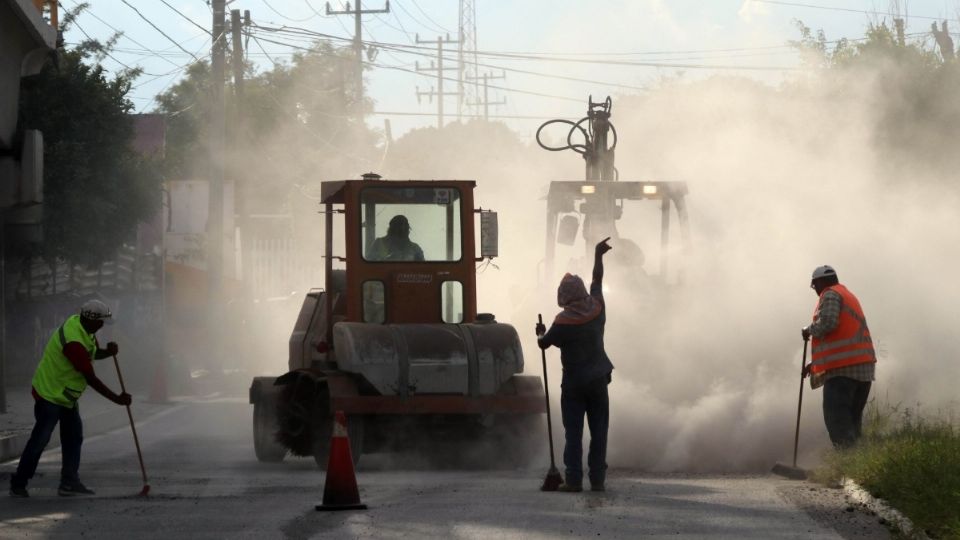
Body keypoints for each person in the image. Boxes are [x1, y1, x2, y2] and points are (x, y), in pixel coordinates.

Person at [9, 299, 132, 498]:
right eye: (100, 322)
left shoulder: (82, 328)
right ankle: (19, 482)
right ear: (90, 319)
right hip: (49, 393)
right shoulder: (73, 340)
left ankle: (69, 482)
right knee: (40, 440)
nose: (102, 326)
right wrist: (117, 399)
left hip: (66, 396)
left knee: (74, 436)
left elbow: (89, 353)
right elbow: (90, 377)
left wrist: (107, 353)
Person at [536, 237, 614, 492]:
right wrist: (598, 255)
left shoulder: (562, 323)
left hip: (574, 385)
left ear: (563, 296)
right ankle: (598, 480)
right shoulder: (597, 308)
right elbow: (597, 280)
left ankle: (572, 480)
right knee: (599, 431)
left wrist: (540, 332)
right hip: (599, 381)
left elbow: (544, 344)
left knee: (574, 433)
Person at [801, 265, 876, 448]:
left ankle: (848, 469)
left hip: (844, 372)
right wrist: (815, 363)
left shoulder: (830, 294)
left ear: (821, 281)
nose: (816, 290)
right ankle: (859, 467)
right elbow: (843, 337)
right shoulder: (847, 295)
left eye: (815, 285)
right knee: (852, 422)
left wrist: (808, 330)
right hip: (862, 368)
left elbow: (828, 323)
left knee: (837, 420)